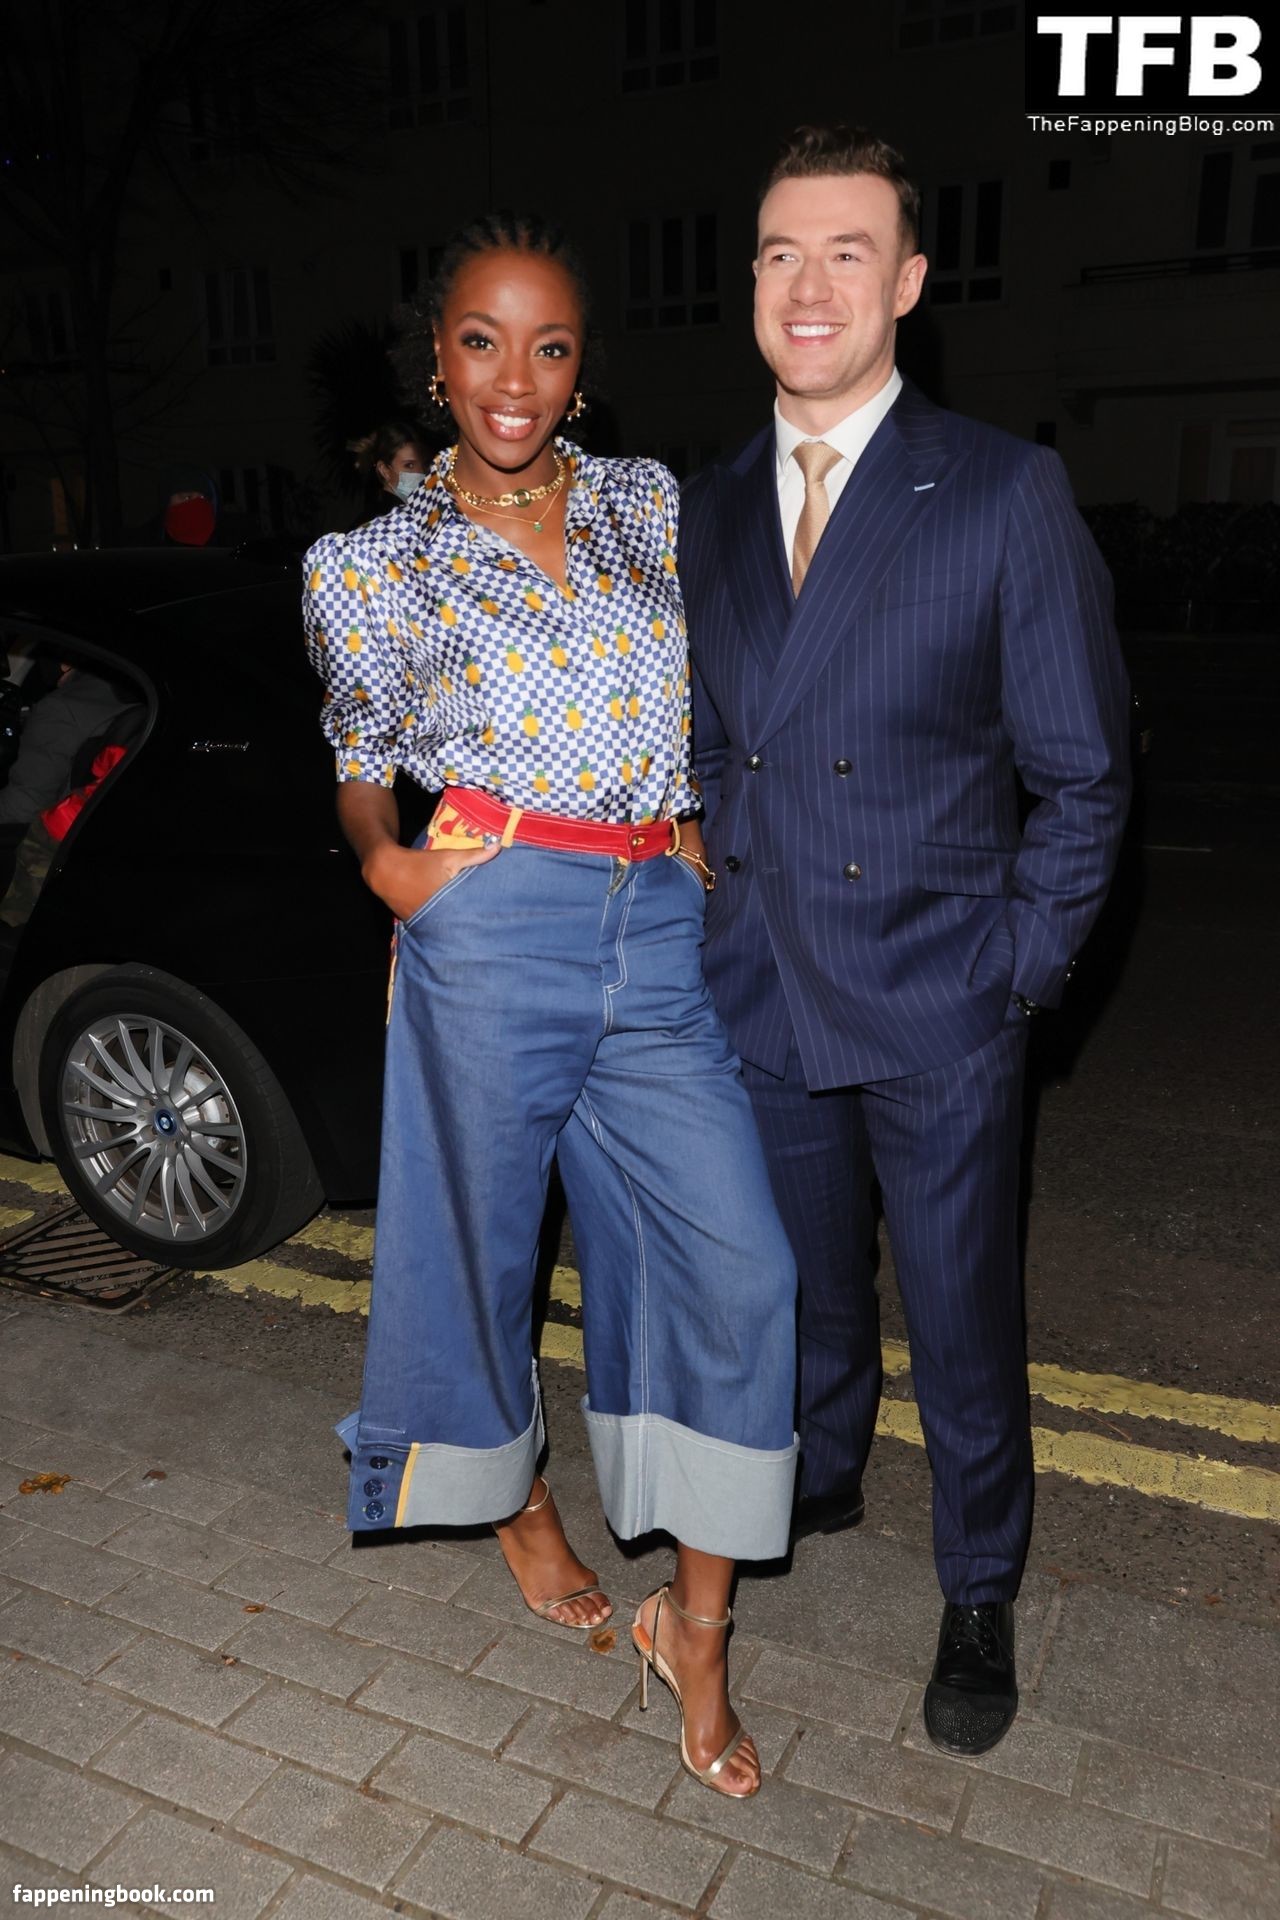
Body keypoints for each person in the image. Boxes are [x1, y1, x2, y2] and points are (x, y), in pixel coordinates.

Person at [301, 213, 799, 1800]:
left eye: (550, 347)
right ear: (437, 361)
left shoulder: (654, 504)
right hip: (490, 914)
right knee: (477, 1253)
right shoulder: (372, 563)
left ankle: (693, 1629)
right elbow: (360, 757)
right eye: (482, 342)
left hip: (655, 921)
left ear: (582, 374)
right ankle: (515, 1503)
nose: (514, 379)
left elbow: (732, 677)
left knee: (745, 1265)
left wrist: (700, 826)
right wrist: (390, 867)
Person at [680, 127, 1131, 1758]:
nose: (810, 285)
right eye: (781, 253)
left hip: (943, 1001)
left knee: (960, 1323)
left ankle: (981, 1582)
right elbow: (710, 744)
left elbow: (1084, 775)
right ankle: (825, 1465)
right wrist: (713, 893)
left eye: (848, 251)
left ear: (911, 282)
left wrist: (1014, 977)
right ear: (751, 281)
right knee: (808, 1289)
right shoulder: (710, 506)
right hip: (768, 991)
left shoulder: (1001, 490)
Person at [347, 422, 429, 514]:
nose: (421, 472)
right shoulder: (382, 518)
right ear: (385, 470)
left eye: (425, 464)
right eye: (409, 465)